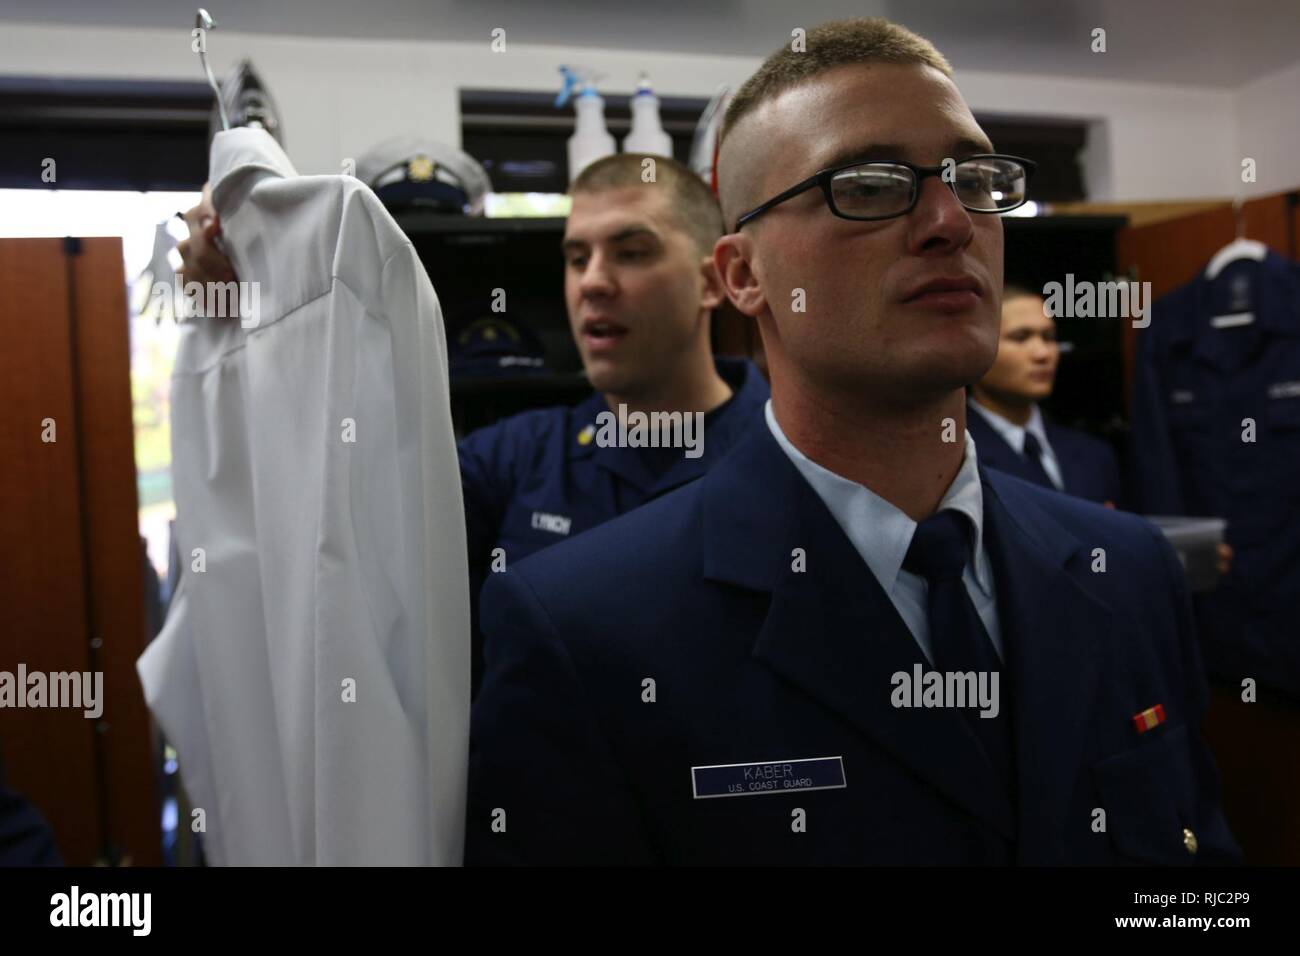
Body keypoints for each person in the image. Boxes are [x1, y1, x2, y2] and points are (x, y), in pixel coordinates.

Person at [467, 17, 1239, 865]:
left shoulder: (1128, 572)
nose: (949, 220)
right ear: (742, 276)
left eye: (975, 178)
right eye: (869, 185)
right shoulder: (583, 629)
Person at [175, 152, 769, 693]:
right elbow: (345, 520)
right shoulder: (516, 459)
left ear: (711, 281)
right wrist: (251, 272)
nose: (592, 282)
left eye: (632, 252)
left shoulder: (785, 455)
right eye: (576, 258)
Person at [966, 284, 1122, 505]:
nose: (1043, 353)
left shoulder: (1094, 455)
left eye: (1049, 337)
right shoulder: (954, 459)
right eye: (1020, 337)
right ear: (975, 349)